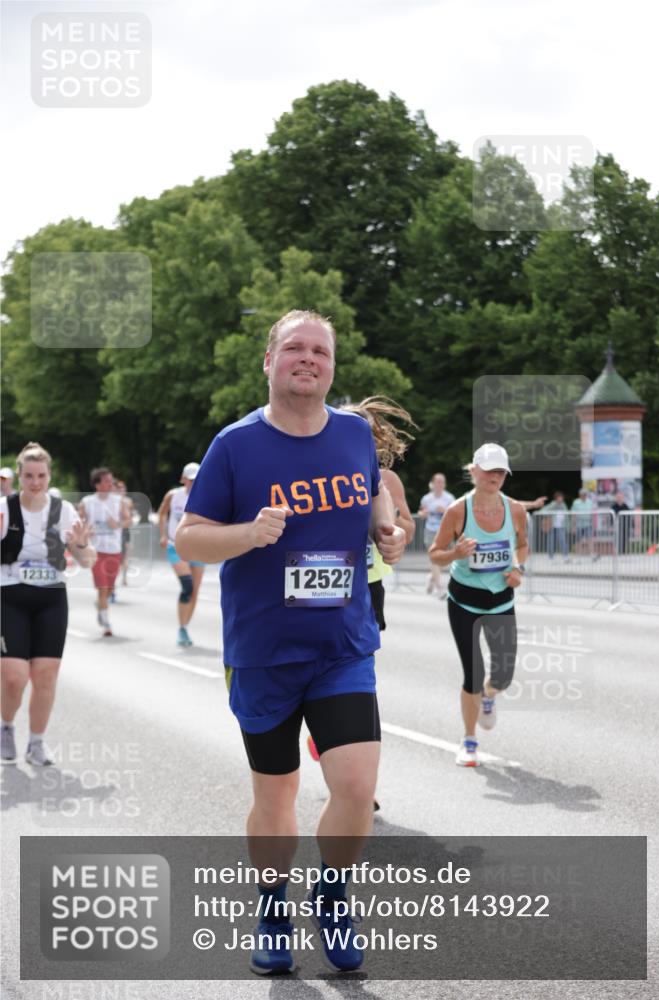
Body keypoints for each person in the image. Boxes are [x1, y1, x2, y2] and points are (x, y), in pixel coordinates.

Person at [176, 310, 405, 974]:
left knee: (357, 786)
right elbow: (189, 536)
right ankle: (272, 905)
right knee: (275, 798)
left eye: (320, 352)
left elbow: (371, 501)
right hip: (262, 654)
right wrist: (246, 533)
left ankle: (332, 894)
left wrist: (389, 530)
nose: (308, 359)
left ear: (331, 367)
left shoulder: (354, 435)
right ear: (269, 361)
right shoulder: (235, 445)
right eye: (295, 349)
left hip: (341, 643)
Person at [306, 396, 416, 790]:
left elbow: (406, 523)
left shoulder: (386, 479)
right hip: (327, 579)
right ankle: (326, 726)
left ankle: (347, 758)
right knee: (324, 658)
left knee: (358, 665)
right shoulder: (318, 467)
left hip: (369, 583)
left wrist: (398, 531)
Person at [429, 443, 528, 767]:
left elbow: (523, 546)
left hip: (501, 601)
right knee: (474, 673)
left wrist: (518, 568)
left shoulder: (515, 510)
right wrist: (456, 554)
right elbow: (435, 553)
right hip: (464, 602)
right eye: (489, 470)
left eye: (501, 471)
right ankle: (469, 741)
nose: (495, 476)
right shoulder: (458, 510)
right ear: (473, 471)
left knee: (503, 676)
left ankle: (489, 696)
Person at [1, 443, 95, 766]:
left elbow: (86, 560)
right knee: (13, 676)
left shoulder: (63, 511)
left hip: (51, 597)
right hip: (10, 595)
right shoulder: (4, 508)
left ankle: (37, 743)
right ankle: (6, 727)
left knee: (45, 675)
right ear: (20, 476)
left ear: (49, 475)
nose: (35, 482)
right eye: (29, 476)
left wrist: (81, 544)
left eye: (41, 475)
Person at [157, 463, 205, 647]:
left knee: (194, 591)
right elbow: (162, 514)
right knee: (187, 586)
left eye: (196, 479)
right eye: (190, 479)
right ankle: (182, 628)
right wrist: (162, 533)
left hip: (198, 547)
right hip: (175, 545)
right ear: (183, 479)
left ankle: (184, 627)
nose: (193, 483)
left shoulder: (206, 495)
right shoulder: (173, 495)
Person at [80, 468, 131, 636]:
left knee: (109, 588)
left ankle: (100, 605)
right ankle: (106, 622)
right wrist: (85, 531)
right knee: (102, 587)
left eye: (111, 480)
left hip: (114, 550)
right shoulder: (87, 502)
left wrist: (118, 524)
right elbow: (78, 523)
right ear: (97, 484)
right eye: (107, 481)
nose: (111, 484)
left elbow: (128, 520)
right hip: (96, 551)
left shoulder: (119, 501)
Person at [418, 473, 454, 595]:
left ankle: (431, 578)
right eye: (437, 481)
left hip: (444, 531)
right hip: (430, 530)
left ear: (445, 484)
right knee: (434, 558)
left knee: (443, 560)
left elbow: (455, 516)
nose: (439, 484)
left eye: (442, 482)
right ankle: (439, 587)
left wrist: (445, 511)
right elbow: (421, 513)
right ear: (432, 484)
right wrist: (423, 514)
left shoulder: (449, 498)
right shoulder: (426, 498)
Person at [115, 480, 134, 587]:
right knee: (117, 556)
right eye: (120, 488)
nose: (122, 490)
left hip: (125, 531)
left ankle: (124, 578)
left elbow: (129, 517)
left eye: (123, 488)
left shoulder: (128, 501)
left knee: (126, 555)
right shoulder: (112, 501)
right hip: (115, 531)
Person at [543, 491, 569, 560]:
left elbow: (567, 515)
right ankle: (551, 556)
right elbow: (543, 510)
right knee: (551, 541)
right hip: (552, 526)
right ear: (556, 498)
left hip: (561, 526)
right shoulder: (552, 504)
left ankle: (565, 555)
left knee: (562, 540)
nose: (560, 499)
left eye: (561, 498)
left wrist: (567, 525)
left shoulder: (564, 505)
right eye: (559, 498)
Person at [571, 488, 595, 557]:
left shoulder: (590, 502)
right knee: (578, 540)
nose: (584, 496)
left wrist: (593, 524)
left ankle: (591, 554)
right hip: (578, 524)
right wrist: (573, 526)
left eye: (585, 494)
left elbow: (592, 514)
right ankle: (578, 554)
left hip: (588, 524)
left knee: (590, 539)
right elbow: (573, 514)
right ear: (580, 495)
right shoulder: (576, 502)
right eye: (583, 494)